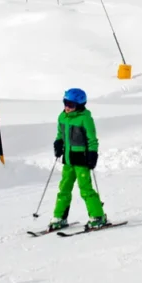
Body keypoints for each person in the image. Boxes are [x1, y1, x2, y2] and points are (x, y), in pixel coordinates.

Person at [50, 89, 107, 231]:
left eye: (71, 105)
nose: (67, 107)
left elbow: (92, 139)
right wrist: (58, 143)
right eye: (65, 103)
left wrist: (92, 155)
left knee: (85, 189)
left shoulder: (85, 118)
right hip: (68, 160)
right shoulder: (62, 117)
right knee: (64, 189)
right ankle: (59, 217)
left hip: (82, 160)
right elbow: (60, 135)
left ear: (80, 105)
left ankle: (98, 216)